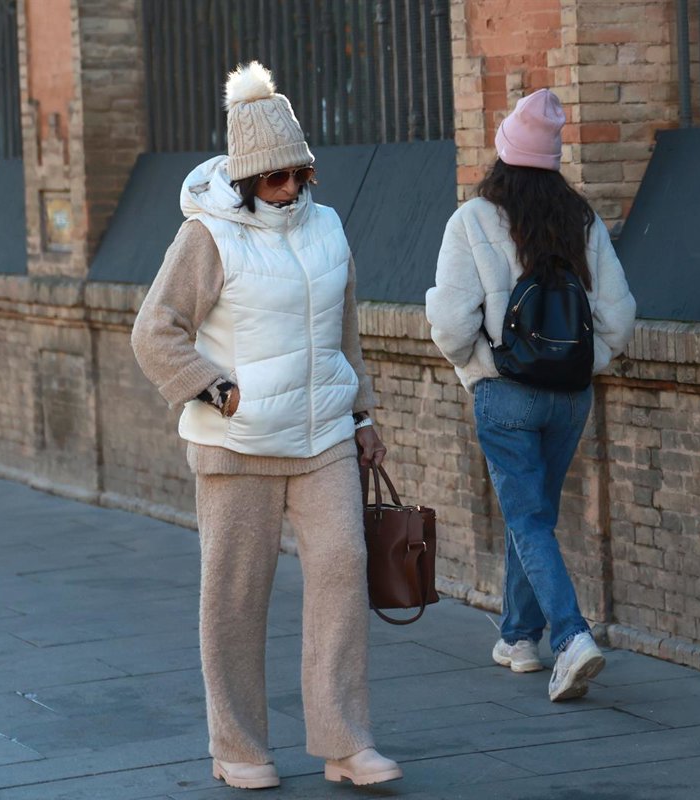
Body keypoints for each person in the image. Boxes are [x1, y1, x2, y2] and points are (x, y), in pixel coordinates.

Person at [130, 62, 402, 790]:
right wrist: (214, 389)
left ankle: (346, 744)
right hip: (238, 445)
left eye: (300, 173)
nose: (290, 187)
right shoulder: (207, 237)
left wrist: (363, 414)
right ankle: (239, 748)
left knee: (342, 573)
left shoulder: (328, 227)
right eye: (276, 177)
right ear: (247, 176)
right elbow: (155, 331)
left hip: (323, 439)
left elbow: (345, 333)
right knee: (235, 599)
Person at [425, 89, 636, 702]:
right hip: (570, 397)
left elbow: (452, 325)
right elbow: (619, 317)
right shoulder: (581, 220)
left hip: (507, 394)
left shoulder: (472, 220)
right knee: (535, 513)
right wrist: (587, 364)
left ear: (502, 155)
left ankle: (570, 637)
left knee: (527, 517)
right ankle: (519, 637)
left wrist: (480, 366)